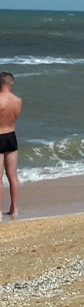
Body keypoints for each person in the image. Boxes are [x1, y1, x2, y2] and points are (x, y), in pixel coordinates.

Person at [0, 72, 20, 218]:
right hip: (11, 136)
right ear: (10, 84)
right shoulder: (18, 100)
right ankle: (15, 209)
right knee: (13, 175)